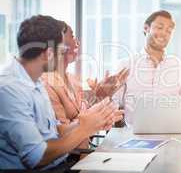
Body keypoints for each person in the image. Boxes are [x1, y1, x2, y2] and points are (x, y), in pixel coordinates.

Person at [0, 15, 123, 170]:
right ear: (48, 54)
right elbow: (38, 157)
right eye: (62, 49)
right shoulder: (10, 89)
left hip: (61, 164)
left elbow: (55, 130)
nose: (64, 55)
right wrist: (85, 129)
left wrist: (91, 120)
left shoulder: (33, 79)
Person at [41, 21, 129, 148]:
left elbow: (86, 120)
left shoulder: (73, 80)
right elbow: (61, 135)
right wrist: (94, 119)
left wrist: (102, 95)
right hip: (69, 159)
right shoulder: (46, 83)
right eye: (72, 36)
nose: (77, 42)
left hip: (84, 152)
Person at [113, 10, 181, 126]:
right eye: (160, 28)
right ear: (146, 28)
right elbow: (113, 105)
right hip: (134, 136)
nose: (164, 34)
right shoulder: (125, 65)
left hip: (173, 134)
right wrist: (103, 96)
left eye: (169, 31)